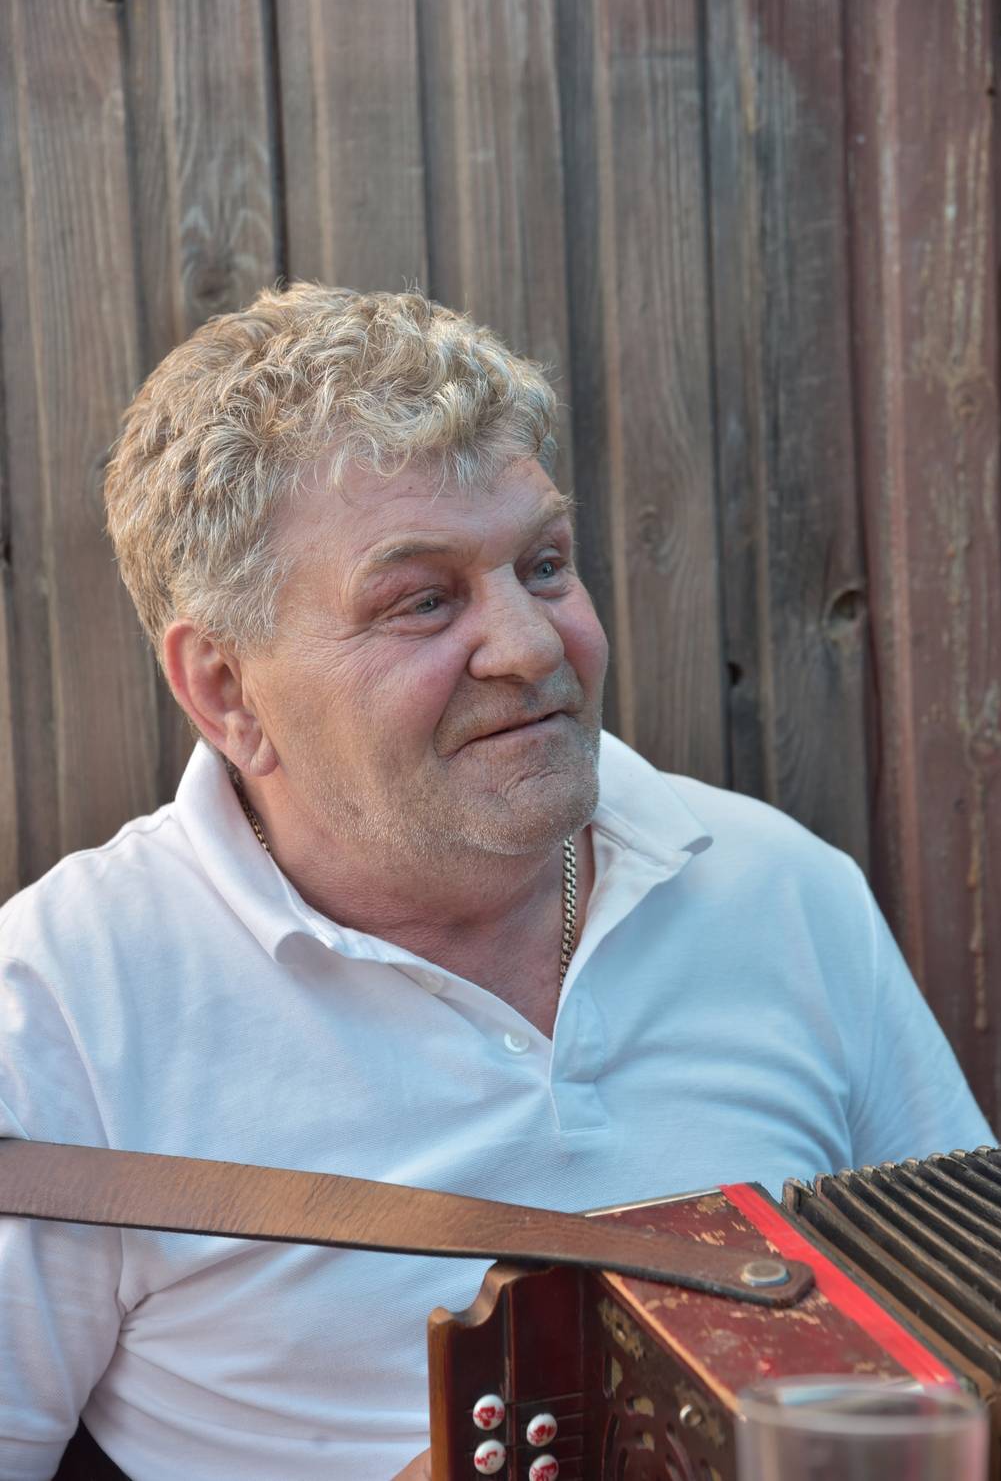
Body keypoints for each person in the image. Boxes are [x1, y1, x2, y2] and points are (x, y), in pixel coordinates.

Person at [0, 285, 990, 1481]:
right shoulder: (53, 1006)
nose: (528, 646)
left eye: (544, 566)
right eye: (421, 601)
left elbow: (961, 1354)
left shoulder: (779, 890)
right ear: (225, 689)